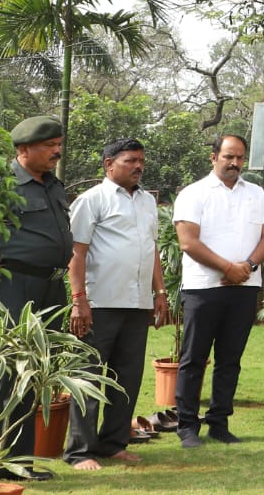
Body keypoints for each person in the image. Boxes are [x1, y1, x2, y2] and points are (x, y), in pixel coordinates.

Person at [65, 138, 170, 470]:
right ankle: (80, 451)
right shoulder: (91, 200)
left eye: (141, 161)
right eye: (130, 160)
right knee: (89, 376)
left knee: (128, 377)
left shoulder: (147, 202)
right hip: (100, 302)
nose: (138, 166)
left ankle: (113, 444)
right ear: (108, 164)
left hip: (137, 303)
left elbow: (151, 249)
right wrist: (79, 300)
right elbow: (76, 253)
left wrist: (161, 293)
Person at [173, 134, 264, 448]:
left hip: (245, 287)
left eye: (240, 158)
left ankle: (219, 423)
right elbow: (188, 241)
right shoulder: (194, 193)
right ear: (213, 157)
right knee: (194, 359)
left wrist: (246, 265)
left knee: (230, 359)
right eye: (229, 156)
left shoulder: (256, 193)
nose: (234, 163)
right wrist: (227, 268)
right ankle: (187, 427)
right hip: (204, 288)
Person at [0, 116, 71, 482]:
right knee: (7, 373)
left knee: (34, 373)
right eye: (48, 146)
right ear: (23, 150)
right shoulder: (3, 186)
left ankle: (20, 461)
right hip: (15, 286)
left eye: (58, 144)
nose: (57, 151)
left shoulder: (54, 185)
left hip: (51, 287)